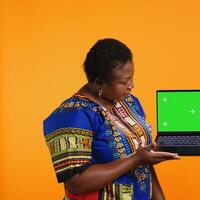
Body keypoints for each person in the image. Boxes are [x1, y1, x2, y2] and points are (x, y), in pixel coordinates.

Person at [43, 38, 179, 200]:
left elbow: (145, 163)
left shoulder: (129, 102)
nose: (132, 85)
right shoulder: (72, 115)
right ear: (99, 82)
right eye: (124, 81)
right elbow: (76, 183)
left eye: (132, 78)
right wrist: (135, 159)